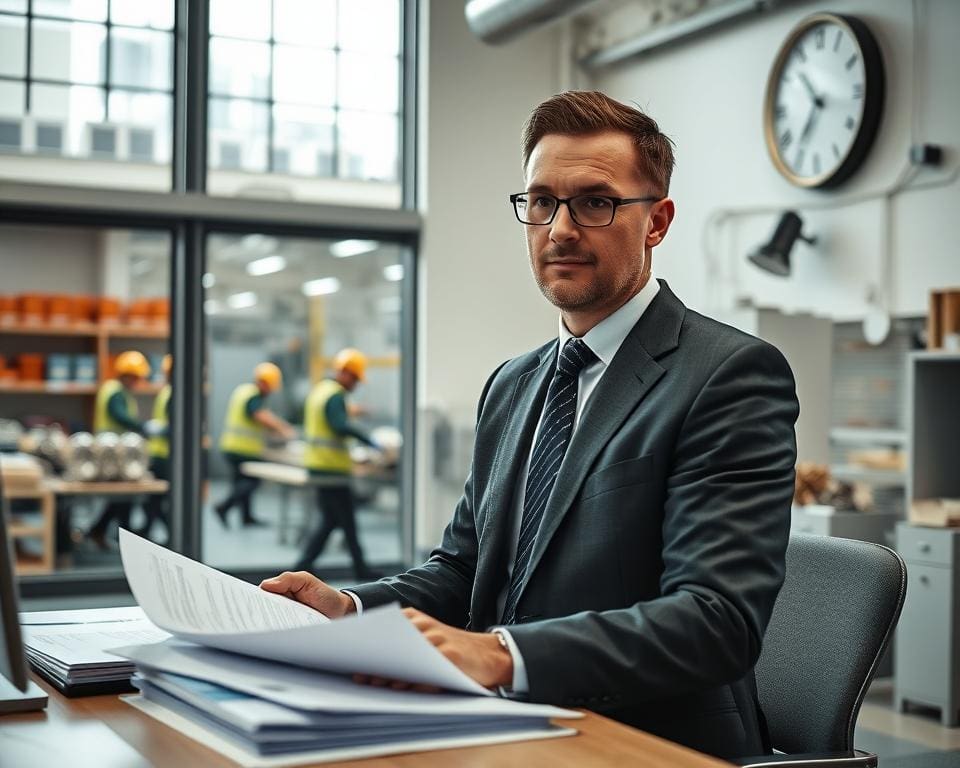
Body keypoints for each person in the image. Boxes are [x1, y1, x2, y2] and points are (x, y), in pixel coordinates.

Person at [261, 91, 799, 759]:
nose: (560, 229)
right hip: (503, 726)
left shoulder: (728, 375)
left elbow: (715, 622)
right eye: (542, 202)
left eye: (595, 203)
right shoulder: (513, 384)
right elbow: (463, 569)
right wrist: (348, 608)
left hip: (643, 743)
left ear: (657, 222)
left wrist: (500, 655)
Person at [293, 348, 381, 580]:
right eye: (355, 379)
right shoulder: (335, 395)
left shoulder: (321, 390)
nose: (356, 385)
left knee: (331, 520)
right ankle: (360, 569)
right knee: (347, 521)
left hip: (319, 463)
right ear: (345, 373)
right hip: (330, 468)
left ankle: (303, 565)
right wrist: (369, 440)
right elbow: (339, 425)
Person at [214, 362, 295, 528]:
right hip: (242, 449)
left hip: (232, 445)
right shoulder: (253, 396)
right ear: (265, 382)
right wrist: (283, 428)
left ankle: (246, 517)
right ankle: (224, 507)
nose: (270, 391)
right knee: (252, 481)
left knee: (242, 481)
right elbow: (260, 416)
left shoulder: (244, 391)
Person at [87, 350, 151, 549]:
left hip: (115, 452)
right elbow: (120, 416)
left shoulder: (115, 390)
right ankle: (122, 535)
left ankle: (100, 531)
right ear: (128, 375)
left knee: (122, 498)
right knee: (123, 496)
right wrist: (143, 427)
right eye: (136, 378)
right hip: (112, 453)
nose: (137, 382)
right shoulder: (116, 393)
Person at [140, 353, 172, 542]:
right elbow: (175, 426)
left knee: (155, 500)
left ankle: (146, 531)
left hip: (159, 453)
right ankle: (172, 533)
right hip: (166, 455)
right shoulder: (174, 393)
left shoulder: (166, 391)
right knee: (158, 499)